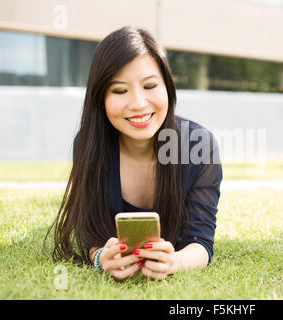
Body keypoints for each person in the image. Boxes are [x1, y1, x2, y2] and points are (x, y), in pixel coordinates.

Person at [44, 26, 222, 280]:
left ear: (168, 89)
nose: (138, 103)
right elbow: (90, 232)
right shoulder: (89, 143)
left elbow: (201, 241)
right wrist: (100, 258)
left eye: (150, 86)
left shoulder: (198, 146)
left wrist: (175, 262)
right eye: (119, 90)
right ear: (100, 98)